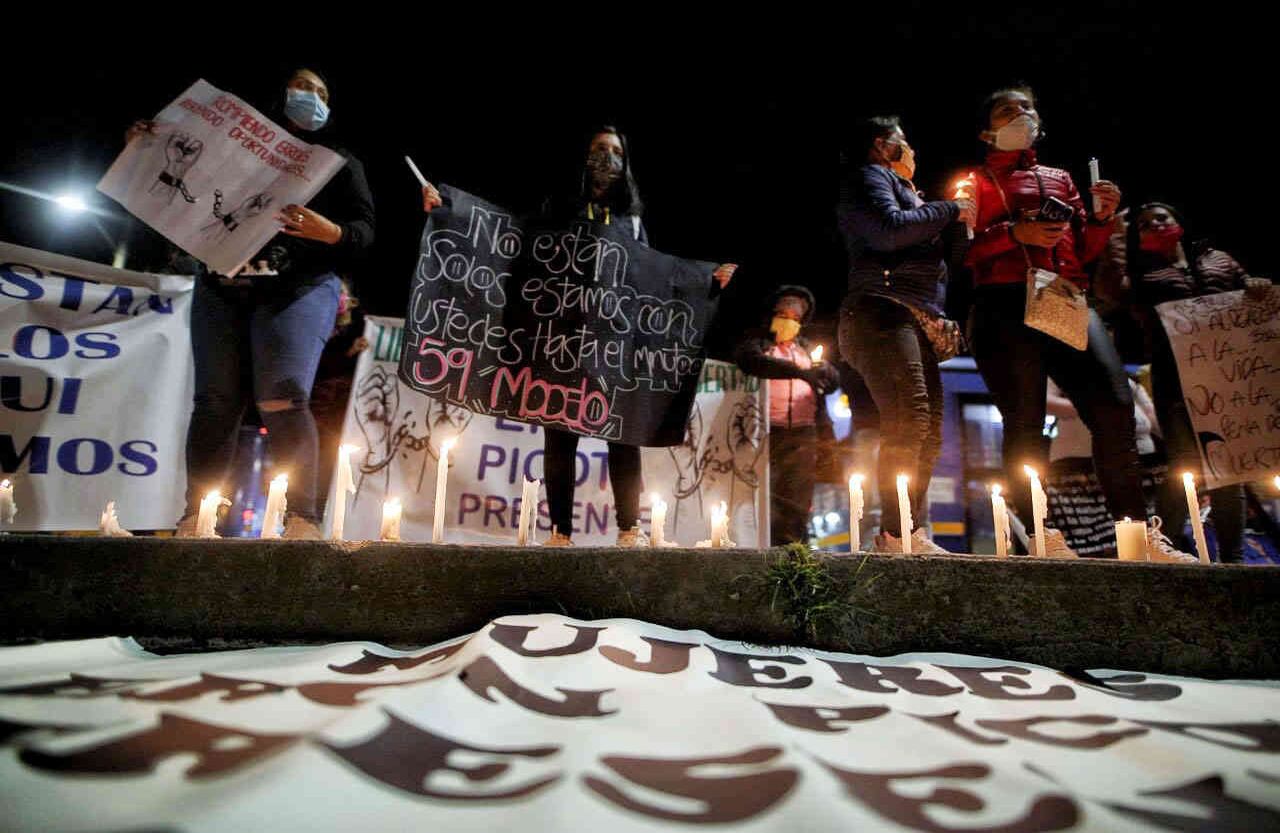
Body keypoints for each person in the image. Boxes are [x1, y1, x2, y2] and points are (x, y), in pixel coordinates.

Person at [421, 126, 736, 546]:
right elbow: (507, 239)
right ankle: (560, 534)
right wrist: (450, 210)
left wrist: (706, 282)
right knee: (559, 435)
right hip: (561, 340)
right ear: (582, 159)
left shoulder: (634, 221)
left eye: (616, 152)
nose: (607, 158)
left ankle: (629, 531)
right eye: (598, 150)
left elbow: (655, 279)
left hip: (613, 343)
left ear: (627, 165)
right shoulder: (557, 208)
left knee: (622, 434)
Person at [963, 86, 1192, 560]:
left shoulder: (1060, 178)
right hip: (1004, 302)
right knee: (1024, 423)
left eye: (1028, 108)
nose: (1021, 116)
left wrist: (1103, 221)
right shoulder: (974, 181)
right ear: (987, 131)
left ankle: (1136, 535)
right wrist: (1012, 233)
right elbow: (958, 249)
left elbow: (1080, 251)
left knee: (1114, 406)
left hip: (1065, 297)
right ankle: (1041, 536)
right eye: (1008, 111)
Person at [152, 68, 375, 538]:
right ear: (281, 91)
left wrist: (331, 231)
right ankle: (199, 515)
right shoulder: (223, 145)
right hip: (221, 286)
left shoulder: (338, 160)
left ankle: (302, 518)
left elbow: (364, 232)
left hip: (297, 288)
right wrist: (147, 149)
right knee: (214, 401)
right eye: (302, 86)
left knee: (282, 396)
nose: (310, 97)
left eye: (321, 92)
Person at [836, 116, 975, 553]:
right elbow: (888, 231)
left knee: (928, 426)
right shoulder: (869, 177)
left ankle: (909, 530)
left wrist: (959, 223)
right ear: (883, 146)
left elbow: (949, 259)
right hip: (879, 310)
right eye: (906, 142)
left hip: (914, 316)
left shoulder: (915, 197)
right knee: (909, 418)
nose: (913, 152)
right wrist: (949, 209)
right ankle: (895, 533)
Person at [1124, 202, 1271, 562]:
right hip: (1174, 377)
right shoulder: (1140, 275)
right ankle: (1159, 545)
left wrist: (1256, 286)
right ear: (1138, 238)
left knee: (1229, 465)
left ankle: (1232, 560)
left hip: (1225, 375)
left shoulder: (1219, 259)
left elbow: (1249, 295)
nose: (1155, 224)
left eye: (1162, 217)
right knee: (1184, 462)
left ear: (1179, 223)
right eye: (1144, 224)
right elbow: (1114, 290)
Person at [734, 286, 839, 545]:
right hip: (766, 431)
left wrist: (826, 371)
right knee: (768, 497)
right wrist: (800, 372)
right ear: (771, 314)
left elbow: (832, 383)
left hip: (804, 434)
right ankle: (763, 549)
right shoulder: (758, 344)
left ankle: (794, 551)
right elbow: (752, 362)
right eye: (783, 314)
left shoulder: (806, 349)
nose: (788, 321)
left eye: (795, 318)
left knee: (798, 498)